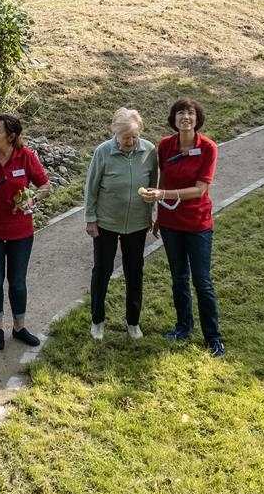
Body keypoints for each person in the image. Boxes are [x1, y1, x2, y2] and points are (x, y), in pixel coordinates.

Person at [142, 97, 224, 357]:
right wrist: (158, 214)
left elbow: (200, 190)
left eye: (190, 114)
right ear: (173, 119)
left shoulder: (209, 148)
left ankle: (213, 338)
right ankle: (183, 327)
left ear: (197, 119)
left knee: (202, 281)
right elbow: (163, 177)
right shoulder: (165, 145)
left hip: (198, 223)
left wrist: (165, 194)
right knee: (179, 279)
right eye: (180, 113)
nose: (185, 117)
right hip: (170, 223)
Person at [0, 113, 50, 350]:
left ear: (11, 136)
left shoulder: (26, 156)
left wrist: (33, 199)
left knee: (17, 281)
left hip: (20, 231)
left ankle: (19, 327)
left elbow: (45, 186)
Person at [84, 106, 158, 340]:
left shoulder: (149, 150)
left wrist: (150, 213)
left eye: (135, 136)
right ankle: (97, 320)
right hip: (106, 222)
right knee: (102, 272)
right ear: (115, 132)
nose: (131, 141)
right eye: (126, 137)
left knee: (135, 272)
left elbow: (154, 184)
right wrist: (90, 218)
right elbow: (91, 187)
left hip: (136, 223)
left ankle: (133, 322)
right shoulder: (103, 152)